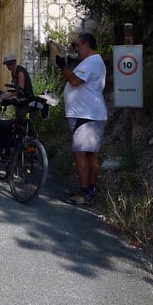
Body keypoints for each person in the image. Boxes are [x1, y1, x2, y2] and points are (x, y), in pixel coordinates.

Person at [56, 33, 107, 205]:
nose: (76, 49)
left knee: (80, 153)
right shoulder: (95, 62)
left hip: (86, 115)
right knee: (91, 154)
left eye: (78, 45)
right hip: (91, 115)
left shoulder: (92, 61)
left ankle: (84, 193)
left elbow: (75, 81)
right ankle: (90, 190)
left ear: (87, 44)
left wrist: (63, 67)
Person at [1, 53, 34, 122]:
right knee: (17, 123)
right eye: (7, 64)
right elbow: (16, 87)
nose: (9, 66)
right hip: (20, 100)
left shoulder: (20, 73)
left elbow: (20, 90)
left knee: (24, 124)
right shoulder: (13, 72)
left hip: (27, 101)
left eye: (10, 64)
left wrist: (8, 96)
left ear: (15, 62)